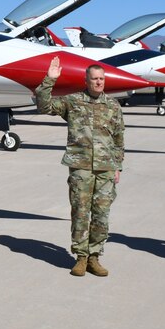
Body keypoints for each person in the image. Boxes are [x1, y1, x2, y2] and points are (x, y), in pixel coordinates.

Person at [35, 58, 125, 277]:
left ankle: (95, 256)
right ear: (86, 80)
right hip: (80, 167)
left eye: (102, 79)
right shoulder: (73, 101)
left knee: (102, 213)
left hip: (105, 167)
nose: (99, 82)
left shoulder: (113, 106)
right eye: (94, 79)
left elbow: (119, 138)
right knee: (80, 212)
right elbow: (43, 105)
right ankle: (81, 257)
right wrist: (50, 80)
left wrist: (118, 167)